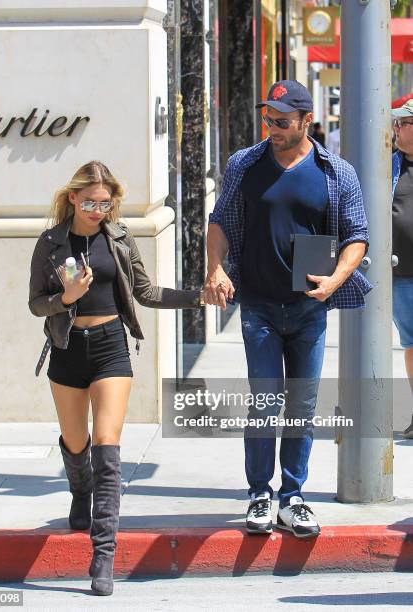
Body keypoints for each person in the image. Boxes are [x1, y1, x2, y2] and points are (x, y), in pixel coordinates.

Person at [205, 80, 371, 539]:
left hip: (307, 308)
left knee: (301, 403)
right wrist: (215, 269)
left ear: (305, 121)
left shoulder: (335, 172)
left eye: (281, 121)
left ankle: (292, 496)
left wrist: (337, 278)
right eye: (268, 119)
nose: (272, 128)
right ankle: (260, 492)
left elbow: (358, 234)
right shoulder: (245, 164)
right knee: (264, 402)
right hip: (257, 304)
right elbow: (219, 220)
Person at [29, 161, 204, 595]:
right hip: (68, 349)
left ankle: (102, 555)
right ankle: (79, 490)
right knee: (76, 443)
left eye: (105, 204)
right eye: (89, 202)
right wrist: (65, 298)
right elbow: (35, 303)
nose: (97, 210)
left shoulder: (120, 238)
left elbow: (146, 292)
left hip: (110, 346)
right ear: (72, 198)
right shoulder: (51, 242)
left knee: (108, 446)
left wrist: (198, 296)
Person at [392, 99, 413, 438]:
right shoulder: (387, 165)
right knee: (412, 344)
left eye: (402, 123)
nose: (395, 128)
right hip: (401, 275)